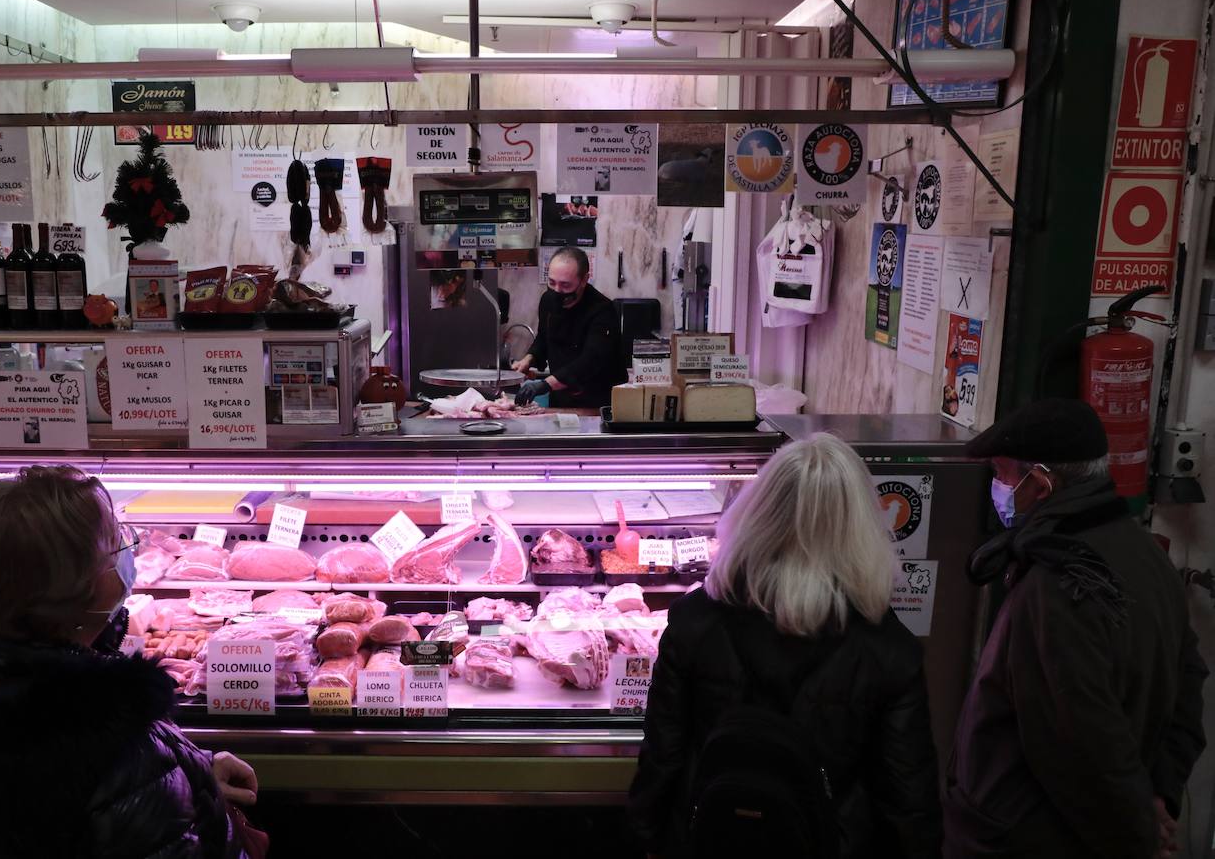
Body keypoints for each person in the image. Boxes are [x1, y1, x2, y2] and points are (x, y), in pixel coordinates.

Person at [0, 466, 261, 858]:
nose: (129, 553)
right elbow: (122, 794)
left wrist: (192, 775)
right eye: (117, 543)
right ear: (81, 586)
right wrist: (159, 783)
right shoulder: (106, 736)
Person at [629, 433, 942, 858]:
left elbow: (663, 755)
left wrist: (648, 839)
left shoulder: (695, 620)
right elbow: (907, 797)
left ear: (758, 514)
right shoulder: (889, 649)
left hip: (711, 838)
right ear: (860, 528)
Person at [944, 398, 1207, 859]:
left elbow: (1082, 745)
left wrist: (1141, 836)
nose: (998, 489)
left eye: (1002, 475)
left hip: (1028, 838)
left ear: (1041, 483)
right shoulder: (1148, 556)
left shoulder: (1059, 587)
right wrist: (1159, 795)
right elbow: (1188, 684)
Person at [512, 247, 626, 409]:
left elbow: (591, 361)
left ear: (584, 280)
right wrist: (529, 359)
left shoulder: (602, 311)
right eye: (552, 282)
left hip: (598, 402)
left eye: (565, 285)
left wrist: (546, 384)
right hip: (561, 398)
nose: (557, 291)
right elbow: (544, 337)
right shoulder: (548, 300)